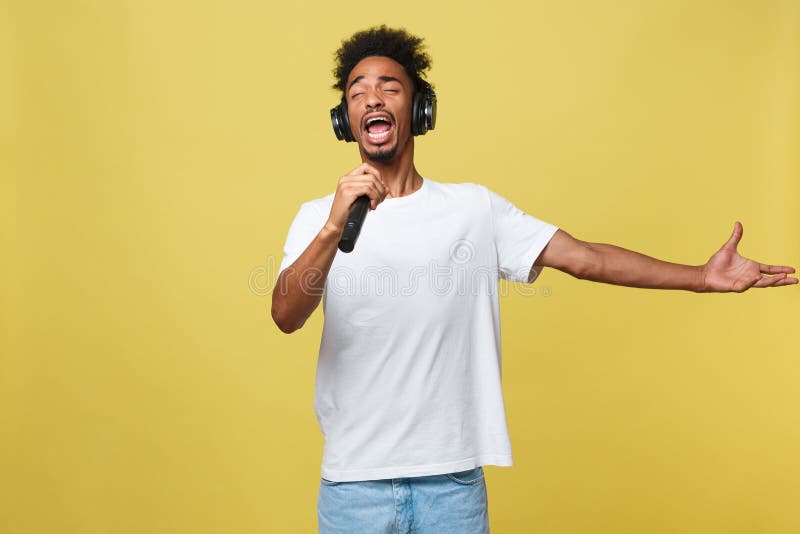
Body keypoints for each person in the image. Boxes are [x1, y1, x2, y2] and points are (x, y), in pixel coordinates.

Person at [271, 25, 797, 534]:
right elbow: (285, 315)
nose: (373, 98)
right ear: (345, 119)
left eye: (390, 87)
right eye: (358, 91)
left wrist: (700, 277)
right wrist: (335, 224)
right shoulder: (318, 217)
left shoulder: (474, 210)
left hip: (451, 485)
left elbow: (586, 257)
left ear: (420, 109)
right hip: (353, 487)